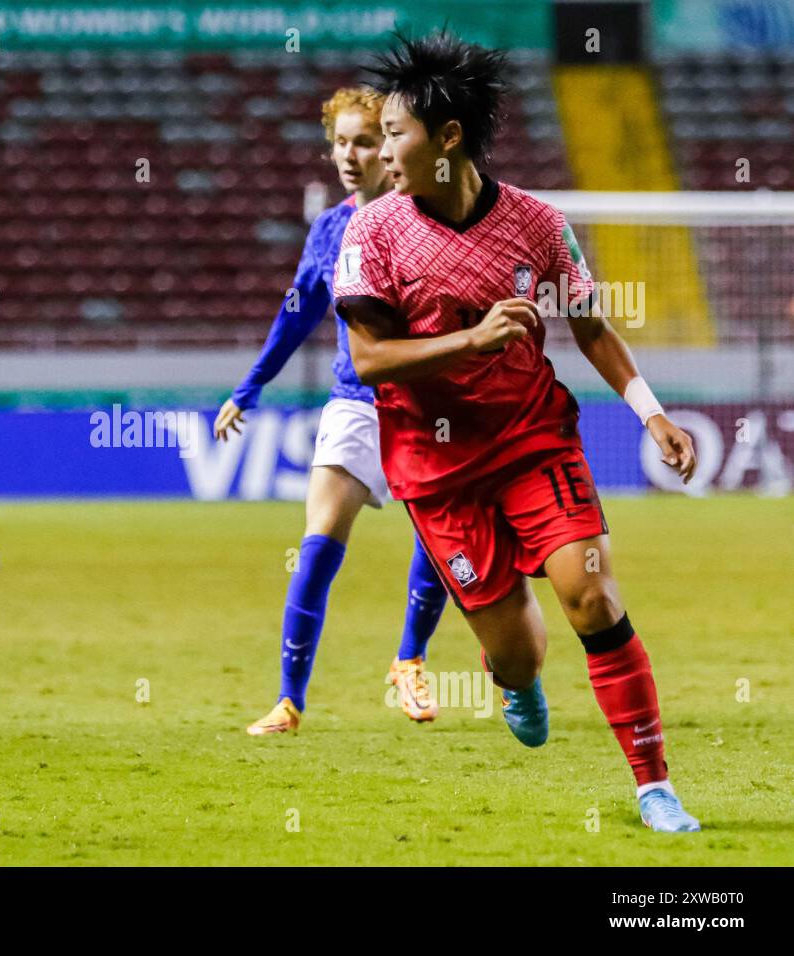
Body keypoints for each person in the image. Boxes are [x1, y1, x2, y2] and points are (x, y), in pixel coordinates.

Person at [335, 32, 701, 831]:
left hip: (535, 441)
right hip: (435, 467)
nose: (383, 153)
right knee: (519, 653)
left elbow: (592, 327)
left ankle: (654, 785)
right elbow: (368, 359)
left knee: (593, 597)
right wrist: (471, 341)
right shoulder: (373, 234)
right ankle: (514, 678)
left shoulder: (539, 224)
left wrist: (651, 411)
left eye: (396, 134)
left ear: (449, 136)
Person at [215, 87, 448, 735]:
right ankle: (289, 701)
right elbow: (297, 315)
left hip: (425, 404)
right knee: (317, 546)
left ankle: (409, 657)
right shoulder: (330, 229)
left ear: (392, 148)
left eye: (364, 142)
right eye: (341, 142)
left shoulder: (428, 219)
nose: (349, 155)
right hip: (355, 403)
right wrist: (249, 388)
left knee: (438, 537)